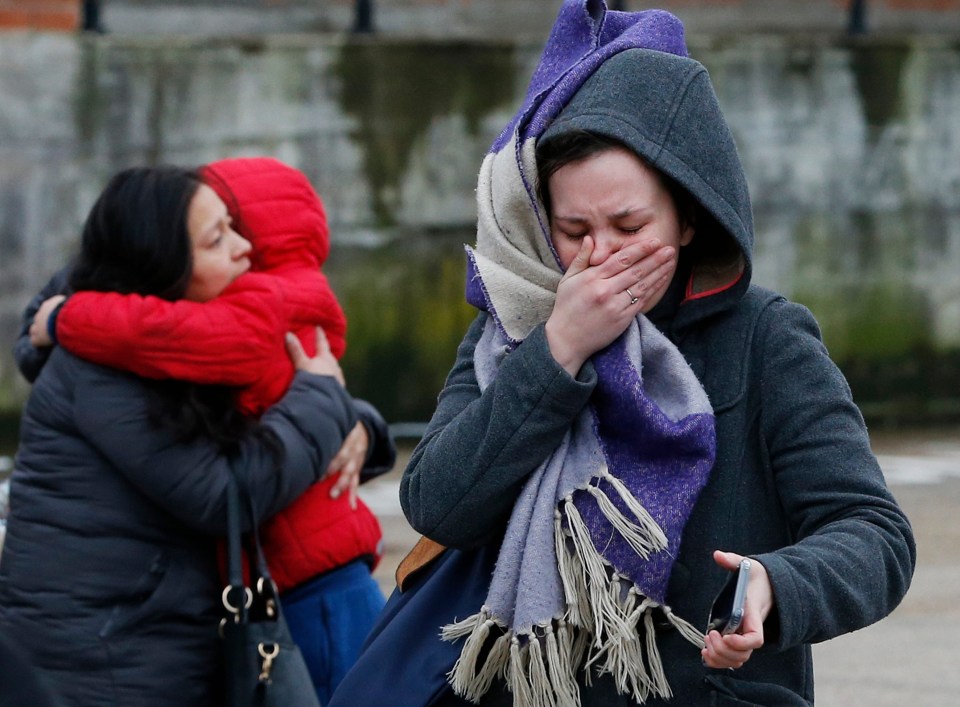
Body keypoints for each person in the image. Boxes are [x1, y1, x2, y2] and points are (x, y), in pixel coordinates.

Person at [392, 2, 916, 706]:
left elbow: (876, 535)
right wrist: (557, 353)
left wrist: (775, 584)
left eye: (629, 225)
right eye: (573, 228)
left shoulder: (766, 337)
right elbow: (437, 504)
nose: (598, 253)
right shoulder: (512, 330)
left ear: (690, 215)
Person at [16, 157, 396, 704]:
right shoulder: (112, 366)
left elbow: (266, 393)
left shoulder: (176, 339)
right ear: (164, 262)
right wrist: (325, 403)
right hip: (107, 657)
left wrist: (356, 419)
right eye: (218, 238)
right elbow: (224, 492)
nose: (243, 251)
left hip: (166, 631)